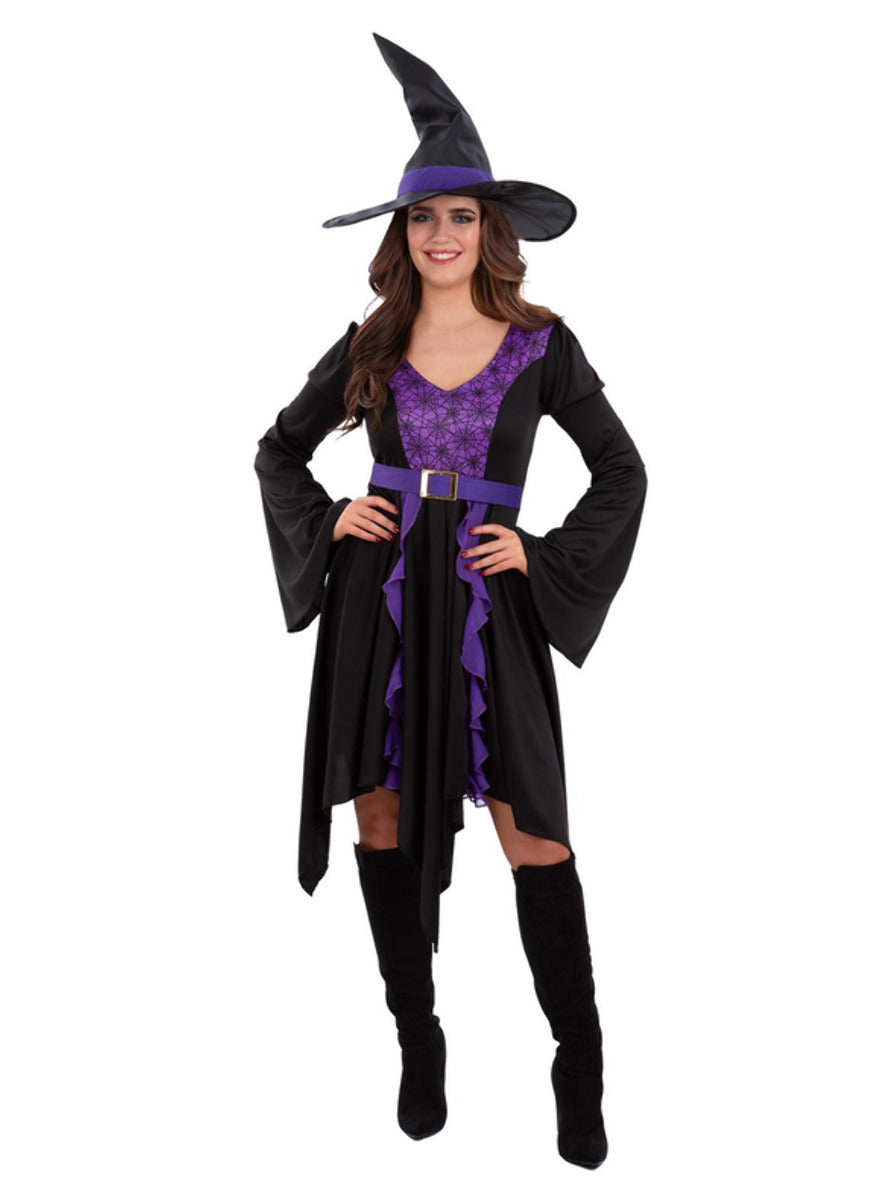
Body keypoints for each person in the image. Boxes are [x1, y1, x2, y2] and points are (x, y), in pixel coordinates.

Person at [253, 33, 647, 1171]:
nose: (440, 236)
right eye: (422, 218)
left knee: (536, 832)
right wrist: (332, 519)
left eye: (460, 217)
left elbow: (623, 471)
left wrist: (540, 552)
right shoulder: (372, 344)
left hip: (488, 601)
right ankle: (416, 1039)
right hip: (380, 604)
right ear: (401, 234)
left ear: (490, 228)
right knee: (381, 816)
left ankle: (579, 1062)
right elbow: (278, 451)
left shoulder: (541, 343)